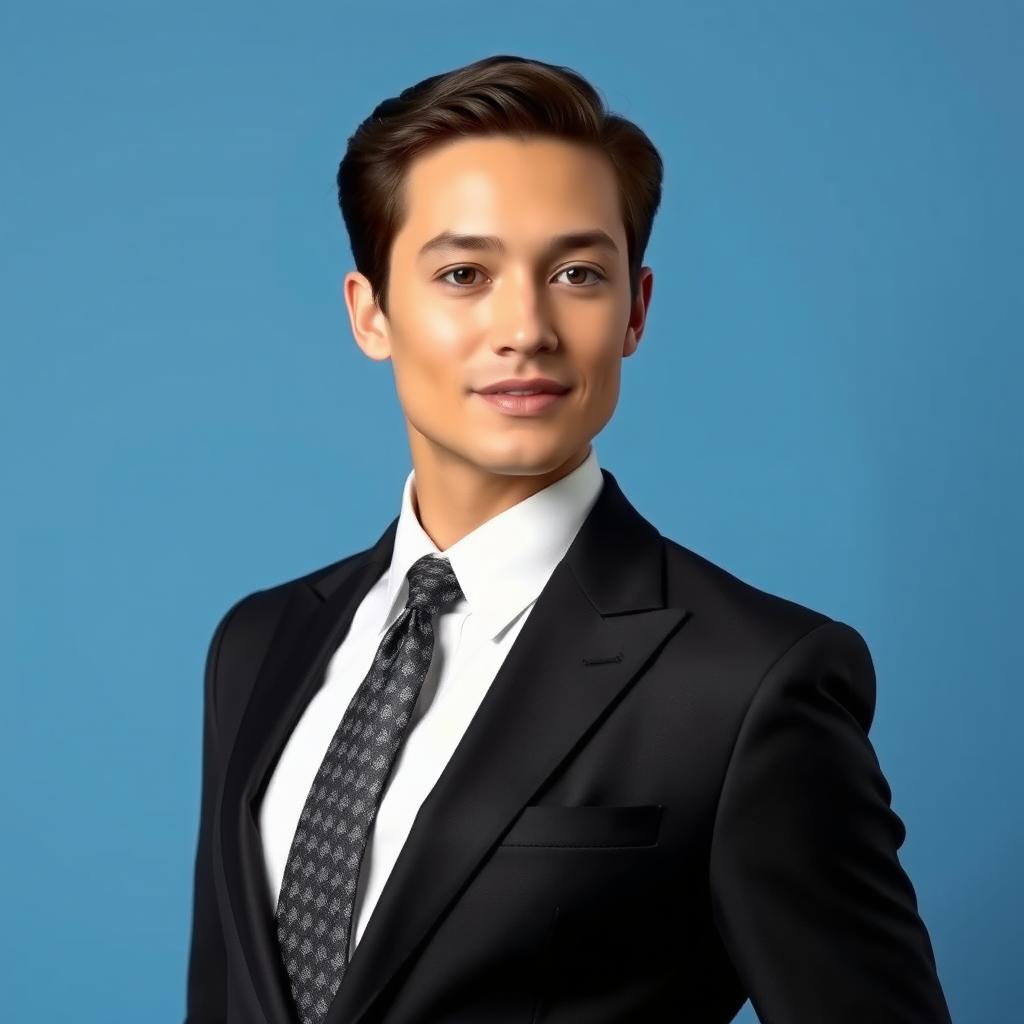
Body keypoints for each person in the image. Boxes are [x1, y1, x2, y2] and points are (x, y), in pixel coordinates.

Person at [184, 53, 953, 1024]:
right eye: (464, 274)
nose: (526, 328)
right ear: (370, 313)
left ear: (634, 311)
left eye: (577, 274)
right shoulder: (259, 644)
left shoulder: (749, 681)